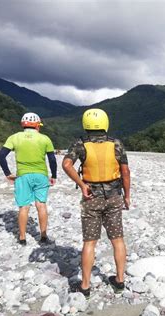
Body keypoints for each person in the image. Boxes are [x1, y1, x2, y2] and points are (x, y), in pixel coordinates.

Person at [62, 108, 130, 297]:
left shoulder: (79, 144)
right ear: (105, 123)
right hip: (114, 197)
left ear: (86, 124)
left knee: (89, 242)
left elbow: (66, 164)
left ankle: (85, 286)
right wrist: (127, 195)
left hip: (91, 198)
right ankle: (120, 281)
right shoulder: (116, 143)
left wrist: (82, 185)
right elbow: (125, 172)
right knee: (117, 240)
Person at [0, 112, 57, 245]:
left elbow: (1, 156)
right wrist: (54, 175)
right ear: (36, 125)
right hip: (41, 175)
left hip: (22, 176)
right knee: (41, 205)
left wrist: (7, 173)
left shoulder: (14, 137)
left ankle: (22, 237)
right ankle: (43, 235)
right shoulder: (45, 138)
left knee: (24, 207)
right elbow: (52, 159)